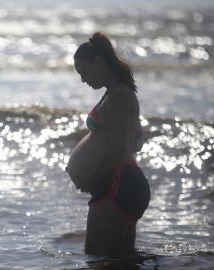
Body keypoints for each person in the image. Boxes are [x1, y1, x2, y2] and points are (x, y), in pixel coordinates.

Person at [65, 32, 150, 255]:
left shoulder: (120, 96)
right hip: (120, 181)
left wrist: (92, 177)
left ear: (99, 62)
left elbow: (119, 148)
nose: (83, 79)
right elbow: (134, 141)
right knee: (121, 261)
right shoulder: (115, 94)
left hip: (117, 182)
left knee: (96, 257)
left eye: (84, 71)